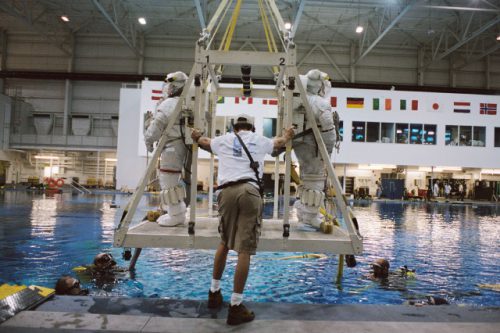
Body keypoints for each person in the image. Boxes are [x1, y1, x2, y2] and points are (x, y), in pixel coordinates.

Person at [192, 116, 294, 326]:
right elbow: (279, 144)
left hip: (226, 192)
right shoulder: (259, 139)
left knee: (224, 242)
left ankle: (214, 293)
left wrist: (195, 134)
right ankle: (236, 306)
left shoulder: (224, 140)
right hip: (249, 191)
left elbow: (203, 142)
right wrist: (288, 135)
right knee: (244, 250)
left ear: (234, 128)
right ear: (251, 127)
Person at [144, 71, 191, 227]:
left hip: (171, 146)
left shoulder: (169, 104)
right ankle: (178, 212)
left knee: (168, 182)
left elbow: (156, 126)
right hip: (179, 145)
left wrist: (148, 140)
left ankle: (176, 215)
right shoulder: (185, 102)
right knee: (172, 181)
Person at [293, 69, 338, 229]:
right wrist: (328, 151)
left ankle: (305, 214)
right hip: (315, 145)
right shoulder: (321, 103)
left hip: (298, 143)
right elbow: (328, 129)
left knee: (306, 178)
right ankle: (311, 216)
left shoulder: (297, 100)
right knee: (316, 181)